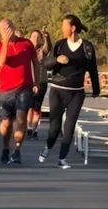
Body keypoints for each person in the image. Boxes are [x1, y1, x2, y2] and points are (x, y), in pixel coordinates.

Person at [39, 15, 100, 170]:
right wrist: (56, 60)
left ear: (72, 28)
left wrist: (96, 87)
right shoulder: (59, 45)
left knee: (70, 126)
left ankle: (62, 158)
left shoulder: (87, 47)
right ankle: (48, 146)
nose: (61, 28)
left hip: (76, 93)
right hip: (58, 90)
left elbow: (92, 68)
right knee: (55, 126)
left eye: (64, 25)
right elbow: (46, 64)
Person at [0, 19, 38, 164]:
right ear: (0, 32)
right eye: (5, 29)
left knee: (21, 119)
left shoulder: (26, 43)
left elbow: (35, 63)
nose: (8, 30)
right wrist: (6, 42)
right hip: (6, 90)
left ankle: (17, 150)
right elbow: (1, 62)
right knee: (6, 123)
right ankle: (6, 147)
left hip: (24, 88)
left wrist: (36, 82)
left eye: (10, 27)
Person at [27, 29, 52, 140]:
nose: (35, 38)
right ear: (29, 38)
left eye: (38, 36)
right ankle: (28, 127)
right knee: (28, 106)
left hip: (41, 82)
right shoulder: (26, 49)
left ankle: (34, 129)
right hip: (28, 82)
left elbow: (48, 47)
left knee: (36, 107)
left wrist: (47, 37)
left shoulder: (42, 51)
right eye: (33, 36)